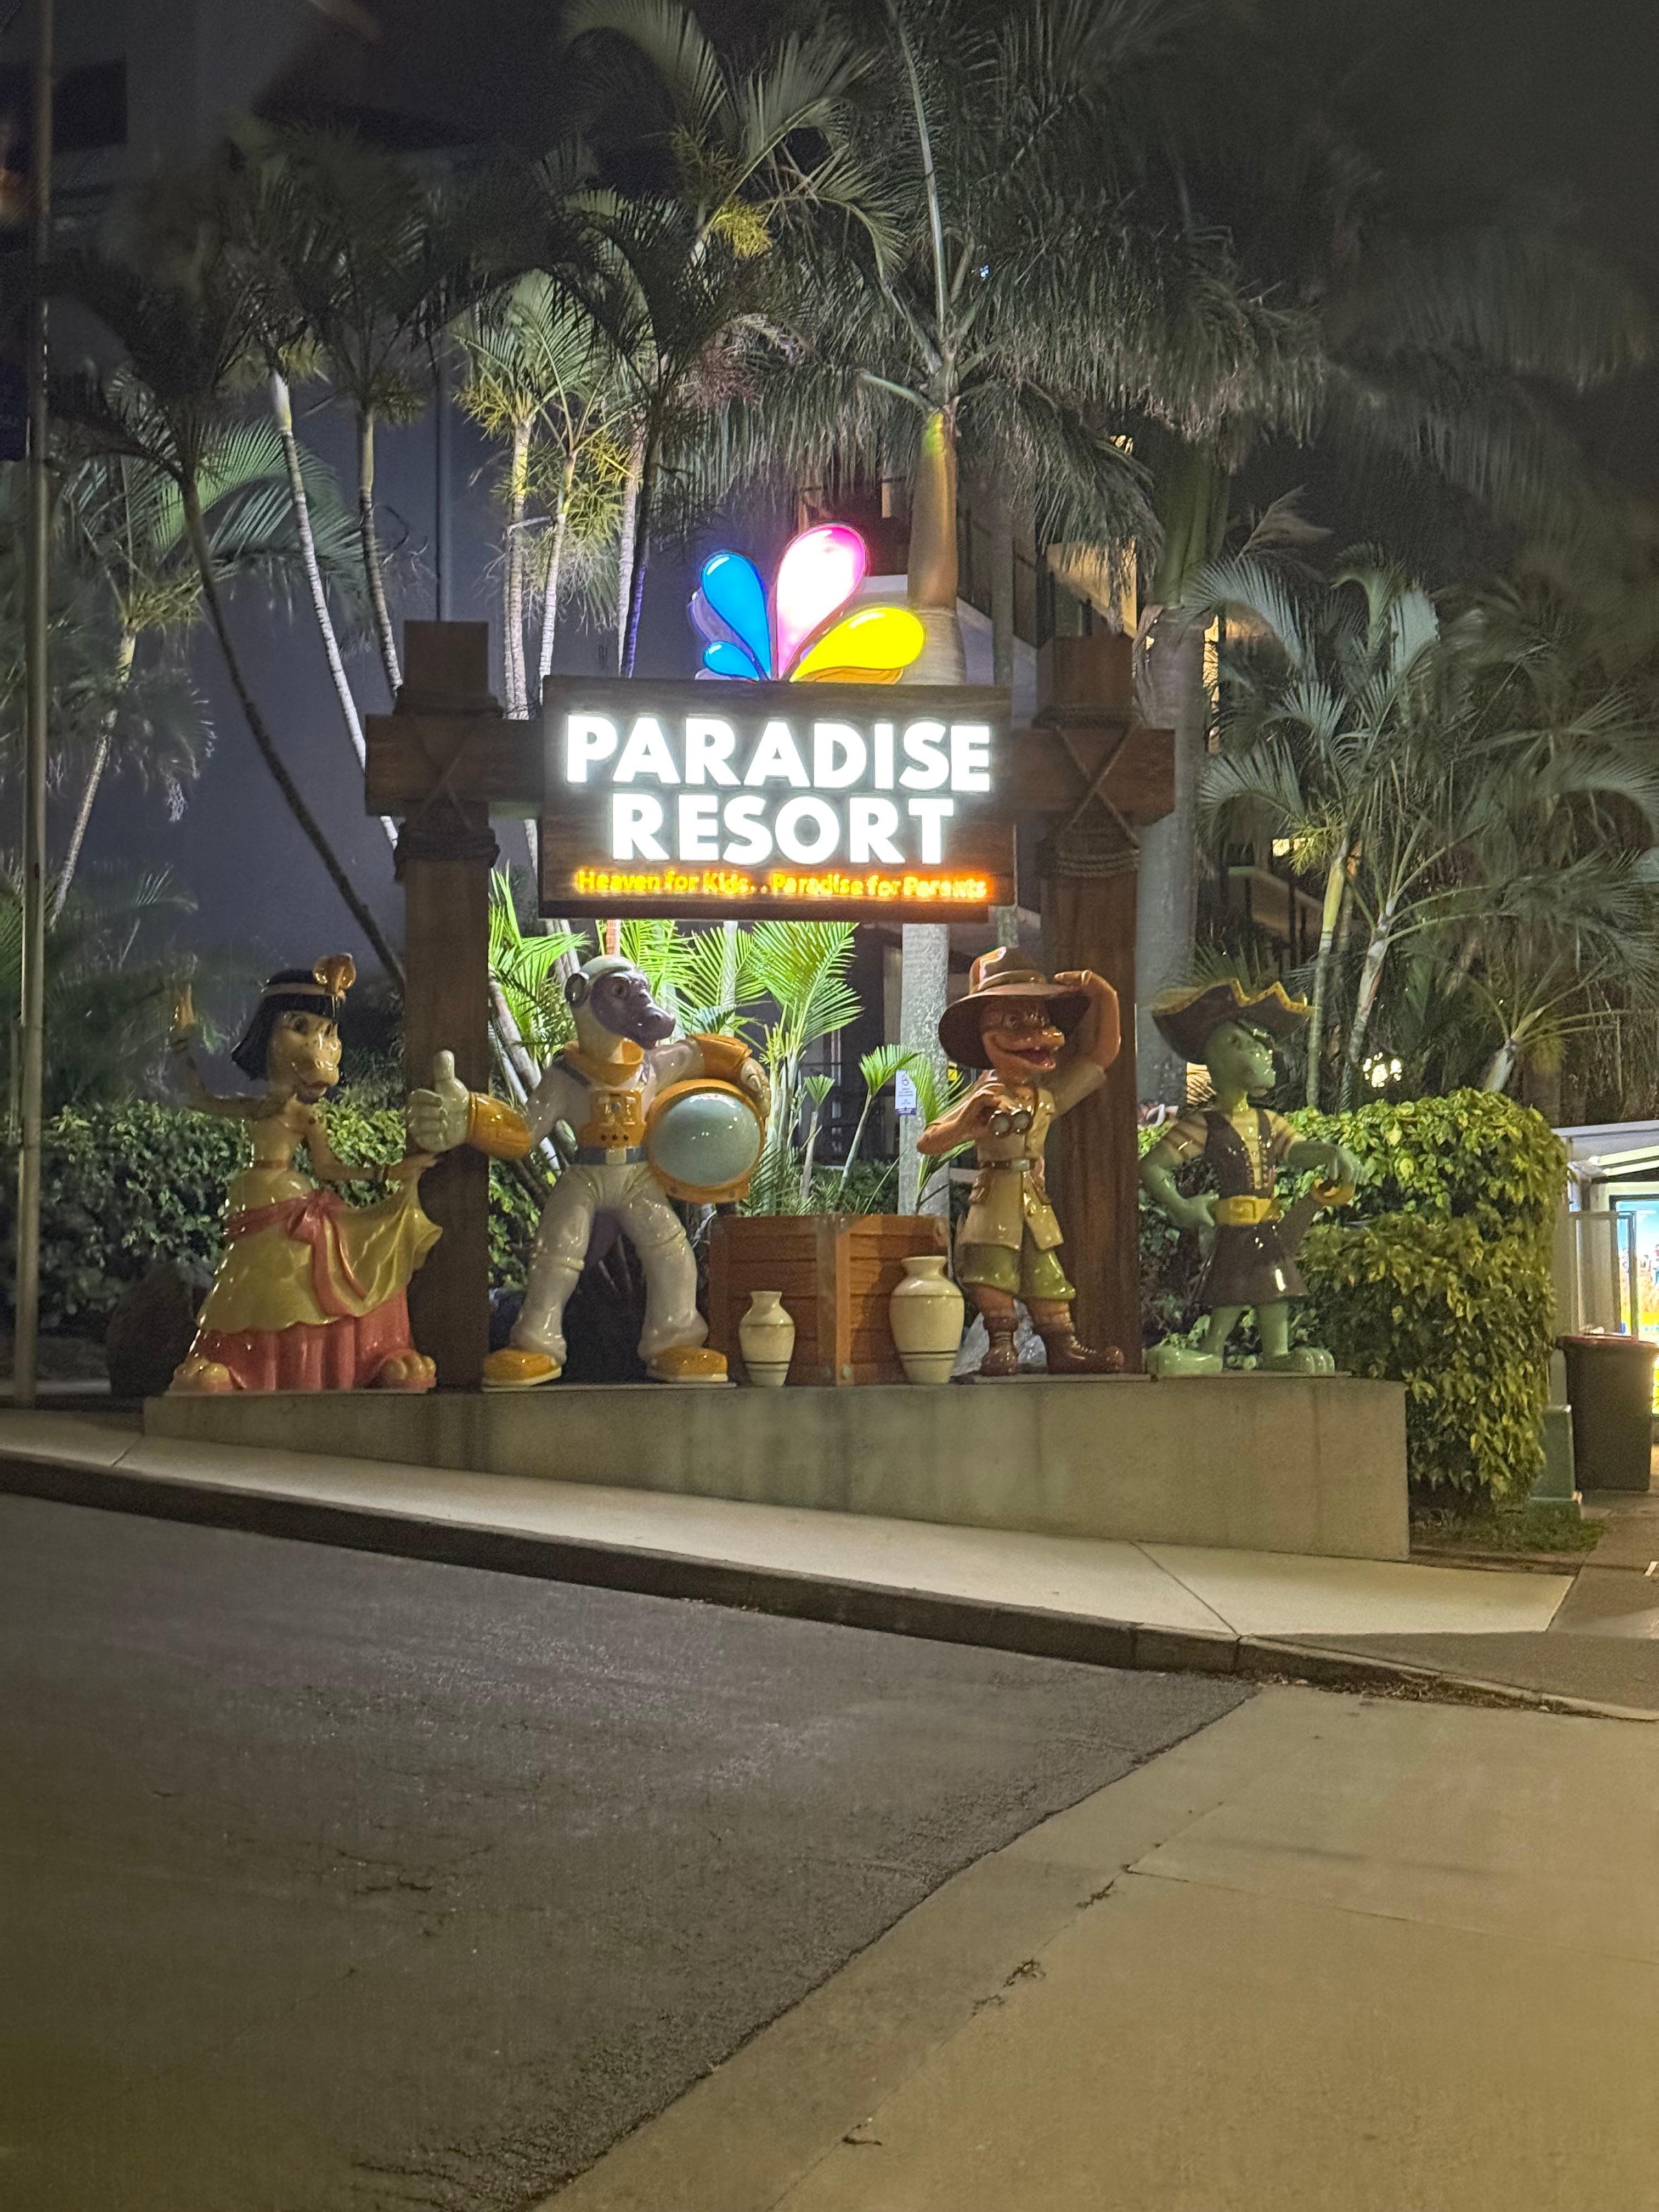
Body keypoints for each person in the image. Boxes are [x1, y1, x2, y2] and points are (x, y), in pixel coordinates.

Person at [408, 953, 769, 1387]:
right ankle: (537, 1344)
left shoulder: (650, 1067)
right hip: (587, 1175)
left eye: (640, 991)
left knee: (672, 1254)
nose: (637, 1003)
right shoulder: (566, 1077)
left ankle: (675, 1341)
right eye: (620, 992)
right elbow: (524, 1131)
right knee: (556, 1253)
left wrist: (744, 1066)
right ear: (580, 995)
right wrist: (471, 1116)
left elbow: (700, 1053)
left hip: (637, 1177)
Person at [169, 958, 438, 1393]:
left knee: (344, 1270)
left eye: (328, 1032)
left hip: (293, 1208)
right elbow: (201, 1099)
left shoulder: (306, 1117)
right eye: (299, 1027)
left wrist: (389, 1172)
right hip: (253, 1204)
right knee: (245, 1293)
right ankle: (237, 1366)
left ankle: (365, 1359)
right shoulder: (256, 1107)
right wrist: (182, 1046)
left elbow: (328, 1169)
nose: (317, 1042)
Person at [917, 946, 1124, 1379]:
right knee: (991, 1273)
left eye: (1040, 1020)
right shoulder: (983, 1097)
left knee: (1046, 1274)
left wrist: (1105, 996)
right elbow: (929, 1141)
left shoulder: (1044, 1098)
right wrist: (967, 1125)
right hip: (993, 1203)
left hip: (1033, 1203)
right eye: (1013, 1023)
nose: (1034, 1035)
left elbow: (1101, 1055)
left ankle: (1063, 1346)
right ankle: (1001, 1345)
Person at [1139, 980, 1360, 1374]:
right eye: (1245, 1045)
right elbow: (1152, 1166)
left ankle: (1277, 1354)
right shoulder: (1204, 1126)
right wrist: (1182, 1208)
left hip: (1266, 1228)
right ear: (1224, 1054)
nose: (1262, 1054)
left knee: (1274, 1287)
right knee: (1230, 1289)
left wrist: (1330, 1151)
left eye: (1260, 1046)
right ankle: (1212, 1352)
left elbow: (1296, 1151)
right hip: (1234, 1229)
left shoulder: (1268, 1121)